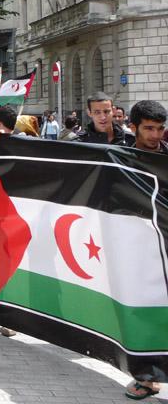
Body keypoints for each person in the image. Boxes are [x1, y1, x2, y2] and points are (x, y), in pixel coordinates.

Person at [123, 100, 168, 400]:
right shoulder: (118, 157)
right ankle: (147, 378)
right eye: (149, 128)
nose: (156, 135)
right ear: (133, 127)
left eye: (160, 128)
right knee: (142, 313)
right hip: (136, 252)